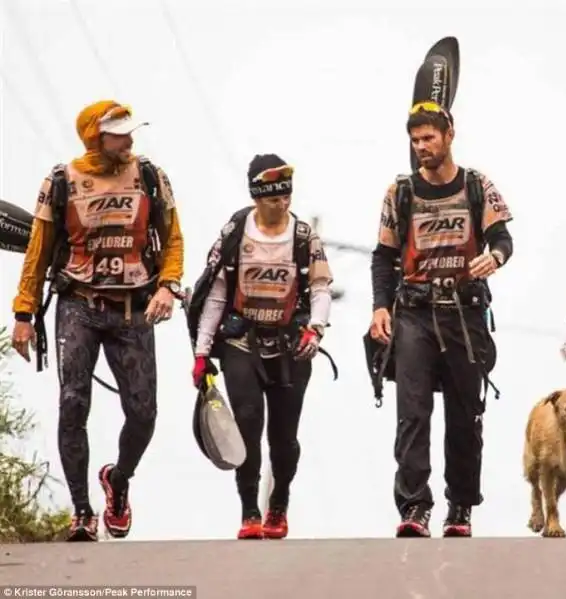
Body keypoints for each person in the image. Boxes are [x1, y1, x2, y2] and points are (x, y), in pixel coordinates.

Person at [10, 100, 185, 542]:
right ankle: (82, 512)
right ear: (95, 136)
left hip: (134, 308)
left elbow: (173, 239)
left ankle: (118, 480)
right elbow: (38, 250)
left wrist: (168, 285)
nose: (128, 140)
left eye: (130, 132)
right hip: (78, 306)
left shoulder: (149, 176)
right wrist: (23, 313)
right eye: (119, 133)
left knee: (144, 412)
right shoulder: (61, 181)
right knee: (73, 404)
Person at [369, 102, 513, 538]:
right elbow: (383, 256)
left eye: (428, 138)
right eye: (415, 141)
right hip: (414, 313)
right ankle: (414, 506)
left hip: (465, 315)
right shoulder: (401, 192)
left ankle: (460, 508)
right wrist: (379, 307)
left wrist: (495, 258)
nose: (421, 147)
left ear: (449, 136)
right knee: (412, 413)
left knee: (465, 415)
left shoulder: (475, 185)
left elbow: (503, 237)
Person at [188, 153, 334, 540]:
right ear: (257, 196)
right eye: (273, 198)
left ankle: (279, 504)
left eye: (287, 196)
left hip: (290, 347)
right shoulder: (236, 232)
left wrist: (315, 330)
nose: (282, 203)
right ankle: (249, 510)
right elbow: (216, 295)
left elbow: (320, 289)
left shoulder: (305, 237)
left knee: (284, 436)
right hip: (241, 343)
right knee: (247, 426)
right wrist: (202, 353)